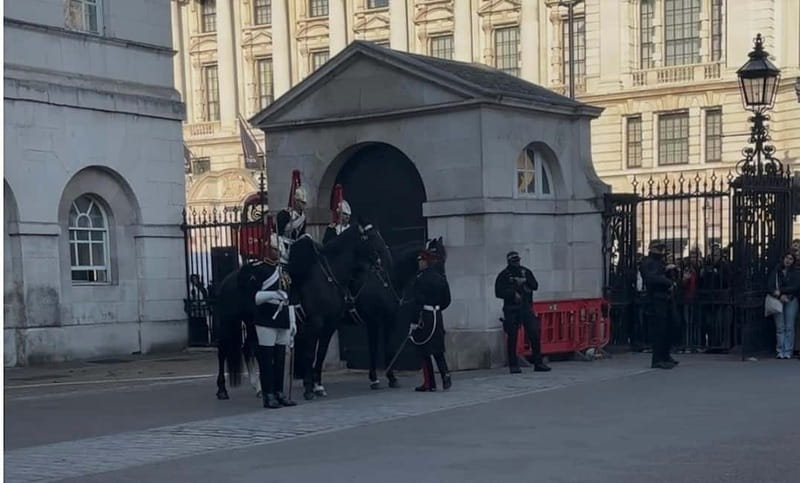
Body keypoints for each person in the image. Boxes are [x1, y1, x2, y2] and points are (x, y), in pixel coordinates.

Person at [253, 234, 298, 408]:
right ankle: (268, 394)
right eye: (275, 249)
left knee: (280, 358)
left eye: (279, 250)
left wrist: (292, 322)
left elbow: (290, 299)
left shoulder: (284, 271)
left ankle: (280, 392)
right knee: (267, 359)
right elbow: (255, 297)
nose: (278, 253)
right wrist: (272, 294)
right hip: (266, 318)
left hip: (283, 318)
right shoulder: (259, 269)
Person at [494, 251, 551, 374]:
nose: (517, 263)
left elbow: (535, 286)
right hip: (511, 308)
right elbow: (498, 292)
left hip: (525, 307)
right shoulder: (504, 275)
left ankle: (538, 362)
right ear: (509, 262)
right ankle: (513, 364)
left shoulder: (525, 271)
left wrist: (525, 281)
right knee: (512, 336)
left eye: (518, 260)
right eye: (514, 261)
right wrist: (512, 293)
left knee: (534, 333)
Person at [410, 249, 452, 392]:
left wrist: (414, 322)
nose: (420, 264)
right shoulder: (440, 277)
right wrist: (438, 308)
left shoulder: (420, 279)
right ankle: (445, 376)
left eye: (421, 261)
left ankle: (429, 383)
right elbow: (447, 300)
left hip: (426, 316)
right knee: (438, 348)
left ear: (425, 262)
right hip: (437, 314)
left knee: (424, 349)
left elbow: (418, 301)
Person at [639, 240, 679, 369]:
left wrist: (670, 270)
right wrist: (667, 282)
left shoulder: (660, 262)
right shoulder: (647, 262)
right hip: (656, 299)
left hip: (666, 299)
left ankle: (665, 355)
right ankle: (657, 359)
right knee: (659, 330)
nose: (661, 251)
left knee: (669, 328)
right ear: (652, 249)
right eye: (659, 248)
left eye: (662, 248)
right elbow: (651, 278)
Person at [768, 251, 799, 359]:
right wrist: (780, 295)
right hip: (778, 300)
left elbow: (795, 287)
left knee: (789, 326)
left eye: (791, 259)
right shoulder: (776, 271)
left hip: (791, 299)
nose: (788, 260)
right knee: (780, 327)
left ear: (793, 261)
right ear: (783, 258)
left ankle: (788, 351)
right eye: (787, 258)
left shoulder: (796, 272)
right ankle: (780, 350)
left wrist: (781, 292)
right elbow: (770, 285)